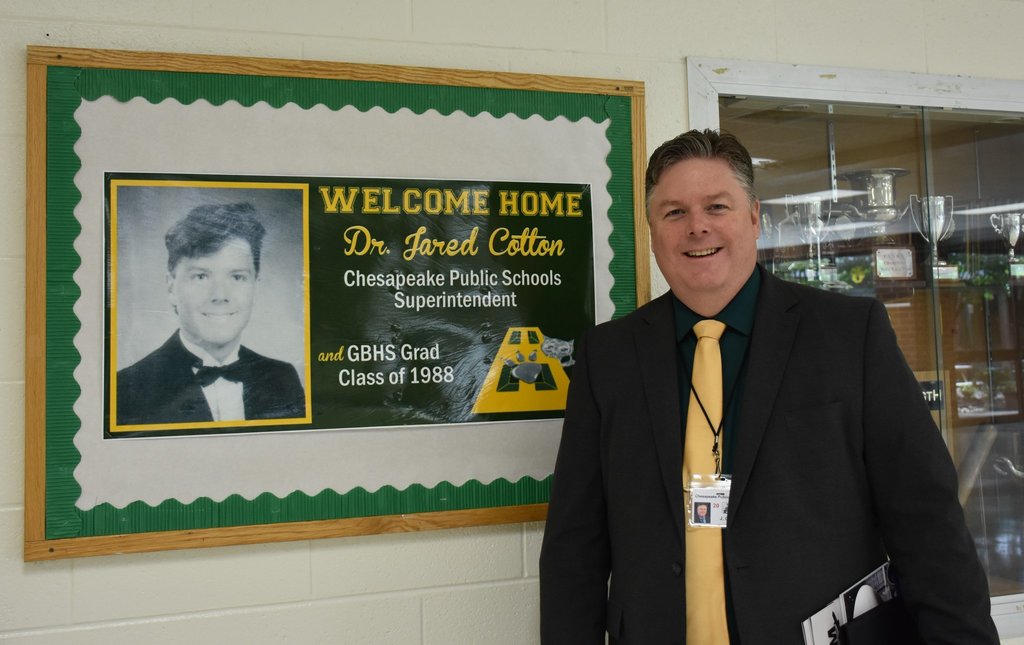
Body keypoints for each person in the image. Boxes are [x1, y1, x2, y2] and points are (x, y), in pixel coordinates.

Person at [539, 129, 998, 643]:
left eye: (717, 207)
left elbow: (927, 523)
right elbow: (574, 548)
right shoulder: (608, 357)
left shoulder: (849, 334)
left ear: (754, 217)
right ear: (651, 230)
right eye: (674, 213)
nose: (697, 227)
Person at [116, 202, 306, 426]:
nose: (220, 295)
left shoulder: (283, 378)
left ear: (255, 286)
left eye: (237, 277)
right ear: (171, 287)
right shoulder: (126, 389)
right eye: (201, 276)